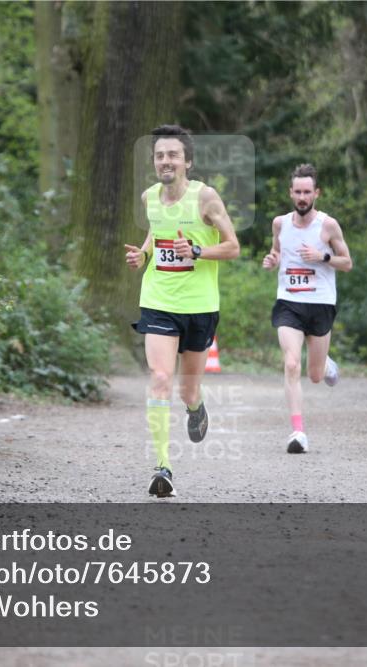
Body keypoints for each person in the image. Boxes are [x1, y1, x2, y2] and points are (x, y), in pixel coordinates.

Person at [125, 125, 240, 497]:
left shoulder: (206, 198)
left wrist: (198, 251)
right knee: (160, 377)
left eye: (173, 154)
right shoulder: (149, 197)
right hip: (159, 299)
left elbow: (233, 246)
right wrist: (143, 254)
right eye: (159, 155)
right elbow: (157, 233)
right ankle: (163, 466)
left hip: (200, 306)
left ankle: (197, 406)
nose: (165, 161)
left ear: (187, 161)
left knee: (188, 389)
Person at [262, 163, 352, 453]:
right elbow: (277, 250)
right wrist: (272, 259)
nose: (302, 197)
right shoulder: (280, 223)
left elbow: (347, 263)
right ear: (291, 193)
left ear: (317, 193)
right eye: (297, 192)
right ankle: (298, 433)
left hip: (320, 303)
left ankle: (324, 363)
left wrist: (322, 256)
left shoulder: (327, 225)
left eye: (307, 192)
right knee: (291, 364)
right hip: (289, 301)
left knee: (314, 375)